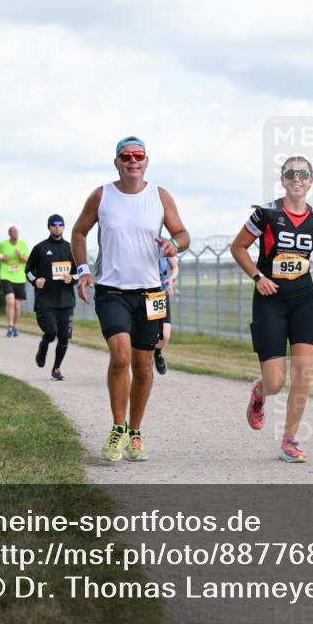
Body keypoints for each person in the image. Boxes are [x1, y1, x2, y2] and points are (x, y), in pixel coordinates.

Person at [72, 136, 190, 463]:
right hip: (112, 291)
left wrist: (175, 245)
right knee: (121, 356)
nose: (133, 161)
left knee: (143, 365)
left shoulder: (160, 196)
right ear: (117, 163)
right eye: (126, 156)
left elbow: (183, 235)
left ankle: (135, 433)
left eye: (138, 155)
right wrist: (83, 270)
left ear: (146, 161)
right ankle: (118, 427)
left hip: (151, 293)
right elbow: (79, 232)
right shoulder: (102, 195)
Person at [230, 155, 313, 463]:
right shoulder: (266, 213)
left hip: (304, 300)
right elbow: (238, 248)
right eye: (291, 174)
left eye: (303, 174)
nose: (297, 178)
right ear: (282, 179)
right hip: (270, 300)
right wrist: (258, 277)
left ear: (311, 181)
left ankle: (289, 440)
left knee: (303, 373)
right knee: (275, 382)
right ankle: (259, 393)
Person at [26, 214, 77, 380]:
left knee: (64, 337)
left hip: (66, 301)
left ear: (64, 227)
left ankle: (56, 369)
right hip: (45, 300)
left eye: (60, 224)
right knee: (51, 332)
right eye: (54, 224)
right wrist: (35, 280)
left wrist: (72, 278)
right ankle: (44, 346)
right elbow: (28, 271)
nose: (57, 227)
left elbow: (80, 272)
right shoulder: (40, 248)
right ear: (49, 227)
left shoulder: (71, 248)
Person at [0, 226, 29, 337]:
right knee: (10, 301)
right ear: (9, 234)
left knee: (17, 305)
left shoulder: (23, 245)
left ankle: (14, 326)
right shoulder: (3, 244)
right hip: (6, 275)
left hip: (19, 278)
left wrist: (21, 256)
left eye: (16, 231)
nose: (15, 233)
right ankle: (10, 326)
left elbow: (28, 260)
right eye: (13, 232)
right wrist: (1, 258)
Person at [153, 255, 178, 375]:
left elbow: (175, 268)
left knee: (164, 336)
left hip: (158, 295)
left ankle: (157, 353)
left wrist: (171, 279)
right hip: (140, 292)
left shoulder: (165, 246)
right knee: (145, 335)